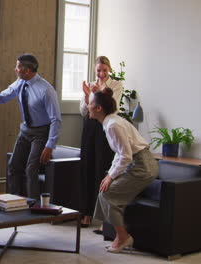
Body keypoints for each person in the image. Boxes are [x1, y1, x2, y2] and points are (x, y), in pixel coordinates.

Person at [0, 54, 61, 199]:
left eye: (18, 66)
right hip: (26, 130)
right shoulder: (20, 82)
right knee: (13, 166)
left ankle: (33, 206)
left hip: (41, 133)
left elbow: (56, 119)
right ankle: (14, 201)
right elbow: (4, 96)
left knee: (31, 169)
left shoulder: (46, 90)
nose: (15, 69)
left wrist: (50, 145)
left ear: (27, 70)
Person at [88, 88, 158, 253]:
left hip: (143, 167)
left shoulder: (113, 125)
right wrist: (109, 176)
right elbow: (120, 155)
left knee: (108, 194)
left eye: (90, 103)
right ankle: (111, 231)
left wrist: (111, 177)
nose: (88, 106)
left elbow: (126, 156)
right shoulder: (111, 122)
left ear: (98, 108)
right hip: (137, 164)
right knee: (104, 188)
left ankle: (123, 237)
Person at [79, 56, 123, 228]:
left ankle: (105, 218)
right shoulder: (90, 84)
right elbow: (83, 111)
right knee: (87, 167)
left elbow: (114, 108)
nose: (101, 73)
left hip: (105, 127)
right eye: (98, 70)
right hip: (89, 126)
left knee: (102, 168)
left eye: (104, 70)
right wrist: (87, 95)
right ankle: (86, 212)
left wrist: (97, 94)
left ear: (109, 70)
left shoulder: (115, 85)